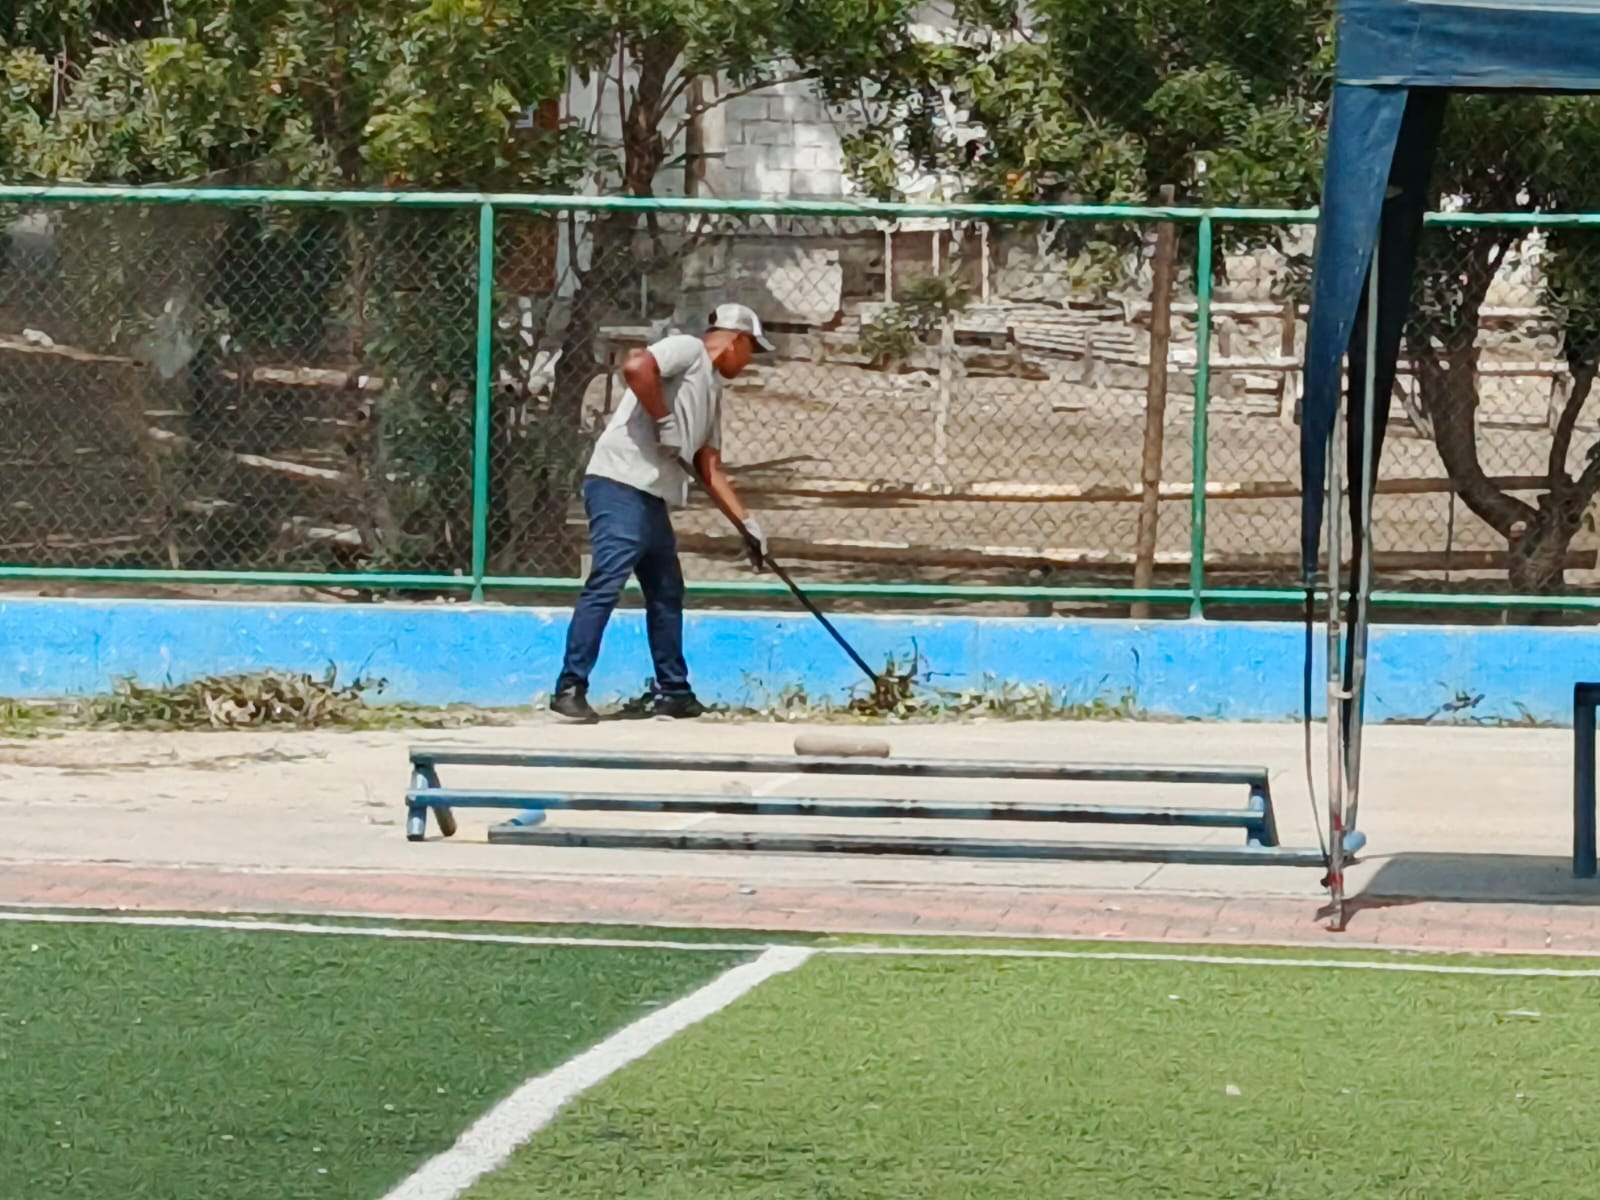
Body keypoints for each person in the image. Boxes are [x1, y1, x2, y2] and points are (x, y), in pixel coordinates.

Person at [550, 303, 774, 723]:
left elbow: (708, 466)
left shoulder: (711, 394)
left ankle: (674, 691)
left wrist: (747, 525)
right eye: (752, 350)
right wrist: (664, 419)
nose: (750, 362)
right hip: (619, 482)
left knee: (667, 591)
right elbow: (636, 368)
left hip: (652, 496)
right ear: (736, 340)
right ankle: (569, 687)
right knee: (607, 581)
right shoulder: (687, 349)